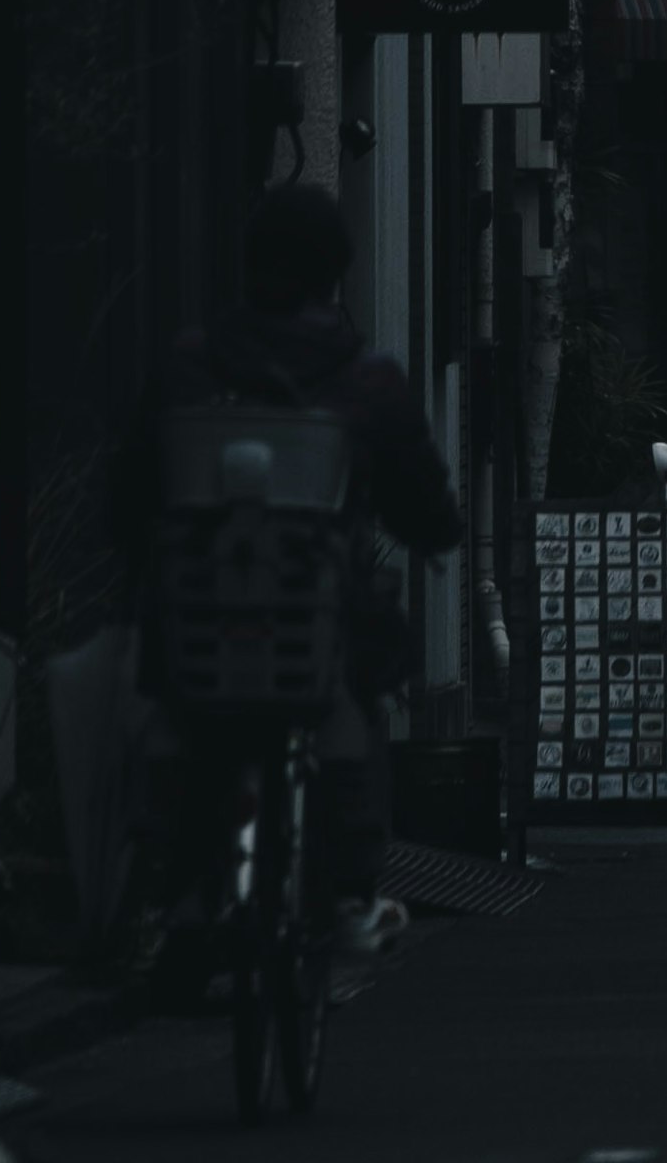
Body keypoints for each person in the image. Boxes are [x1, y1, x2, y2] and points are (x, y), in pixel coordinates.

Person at [112, 182, 465, 956]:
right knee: (354, 697)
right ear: (335, 273)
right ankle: (349, 891)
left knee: (176, 708)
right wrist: (436, 532)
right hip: (314, 620)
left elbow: (133, 484)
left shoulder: (192, 361)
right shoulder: (363, 374)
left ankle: (159, 889)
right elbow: (420, 496)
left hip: (196, 613)